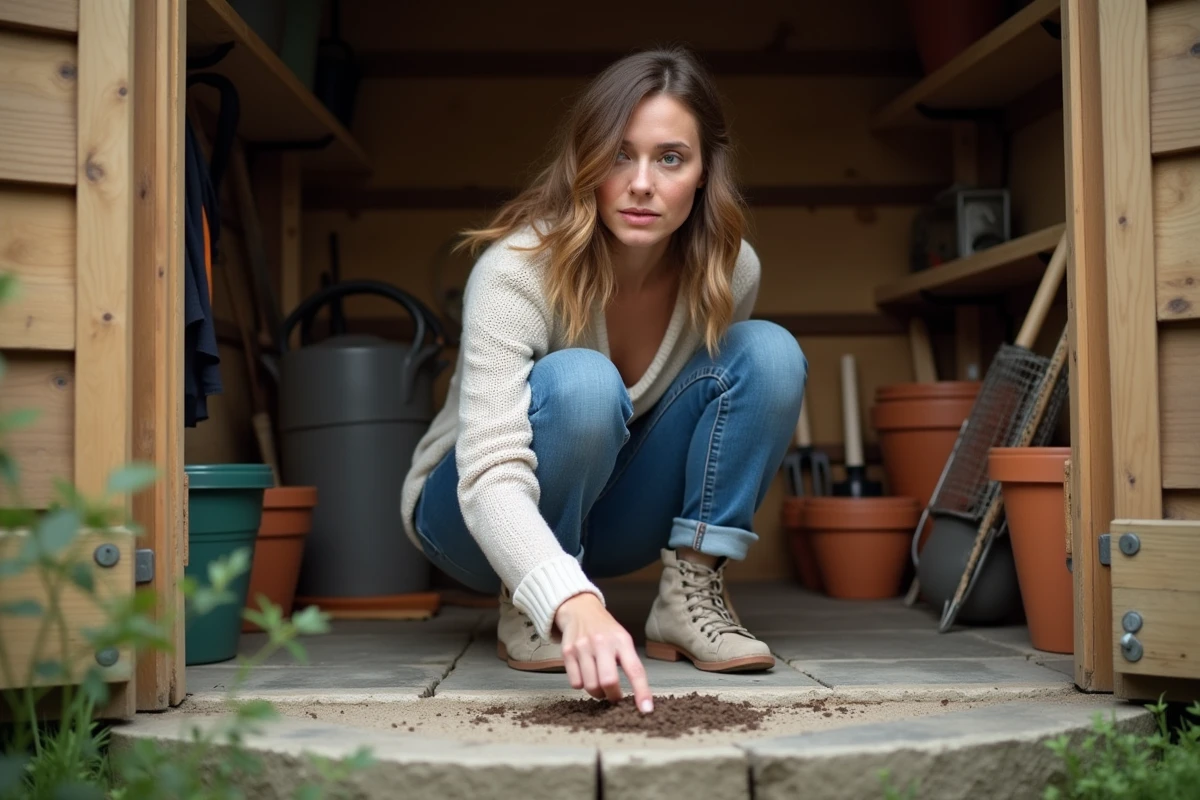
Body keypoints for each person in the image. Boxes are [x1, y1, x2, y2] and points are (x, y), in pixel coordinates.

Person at [400, 46, 807, 716]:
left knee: (769, 354)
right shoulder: (516, 271)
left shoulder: (731, 271)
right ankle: (532, 601)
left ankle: (689, 597)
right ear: (585, 163)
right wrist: (569, 596)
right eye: (619, 155)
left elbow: (721, 426)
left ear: (705, 173)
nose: (641, 183)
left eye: (670, 158)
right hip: (471, 517)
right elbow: (488, 475)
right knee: (583, 383)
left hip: (613, 513)